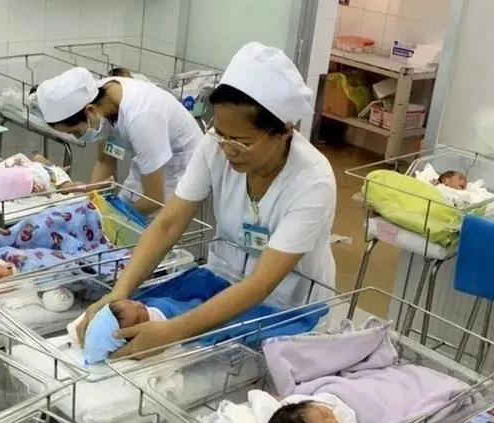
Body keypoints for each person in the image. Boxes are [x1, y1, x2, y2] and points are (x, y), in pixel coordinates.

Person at [74, 42, 337, 358]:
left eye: (241, 142)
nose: (226, 149)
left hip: (285, 302)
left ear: (284, 131)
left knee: (187, 342)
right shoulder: (215, 146)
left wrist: (171, 332)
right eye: (221, 134)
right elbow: (168, 224)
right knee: (143, 313)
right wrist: (117, 295)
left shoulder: (312, 180)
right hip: (219, 276)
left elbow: (260, 285)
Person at [36, 66, 203, 215]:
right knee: (123, 204)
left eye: (75, 132)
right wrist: (91, 200)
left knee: (152, 231)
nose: (77, 137)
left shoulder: (140, 118)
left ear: (90, 111)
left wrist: (115, 219)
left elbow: (154, 199)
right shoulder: (101, 98)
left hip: (181, 166)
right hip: (149, 160)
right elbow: (105, 161)